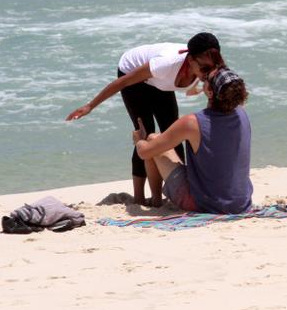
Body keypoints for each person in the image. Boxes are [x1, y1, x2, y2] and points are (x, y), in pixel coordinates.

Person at [65, 33, 225, 205]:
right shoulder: (166, 64)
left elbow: (224, 89)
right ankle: (139, 198)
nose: (210, 72)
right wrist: (90, 106)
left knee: (173, 132)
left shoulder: (210, 66)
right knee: (144, 133)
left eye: (213, 67)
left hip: (160, 82)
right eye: (204, 69)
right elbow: (124, 82)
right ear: (191, 60)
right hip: (132, 73)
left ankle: (174, 191)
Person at [132, 67, 252, 213]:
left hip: (205, 204)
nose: (202, 79)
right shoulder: (242, 114)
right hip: (240, 202)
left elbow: (144, 153)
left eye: (206, 79)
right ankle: (157, 199)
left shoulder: (192, 122)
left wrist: (139, 141)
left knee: (151, 140)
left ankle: (156, 200)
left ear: (210, 92)